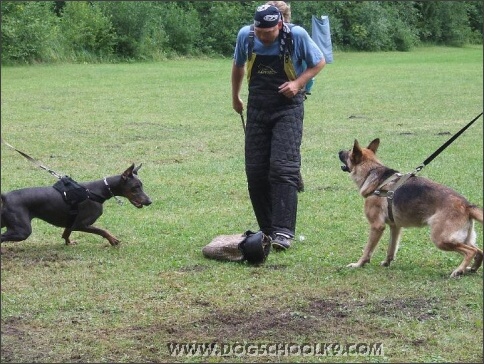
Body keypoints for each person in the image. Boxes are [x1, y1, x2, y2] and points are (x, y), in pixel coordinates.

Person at [231, 4, 325, 250]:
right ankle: (267, 230)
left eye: (269, 32)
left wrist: (298, 83)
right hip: (257, 107)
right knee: (255, 170)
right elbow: (238, 65)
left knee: (282, 168)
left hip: (288, 107)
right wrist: (235, 96)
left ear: (280, 25)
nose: (263, 36)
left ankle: (284, 233)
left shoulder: (297, 35)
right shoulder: (246, 36)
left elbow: (319, 62)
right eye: (260, 31)